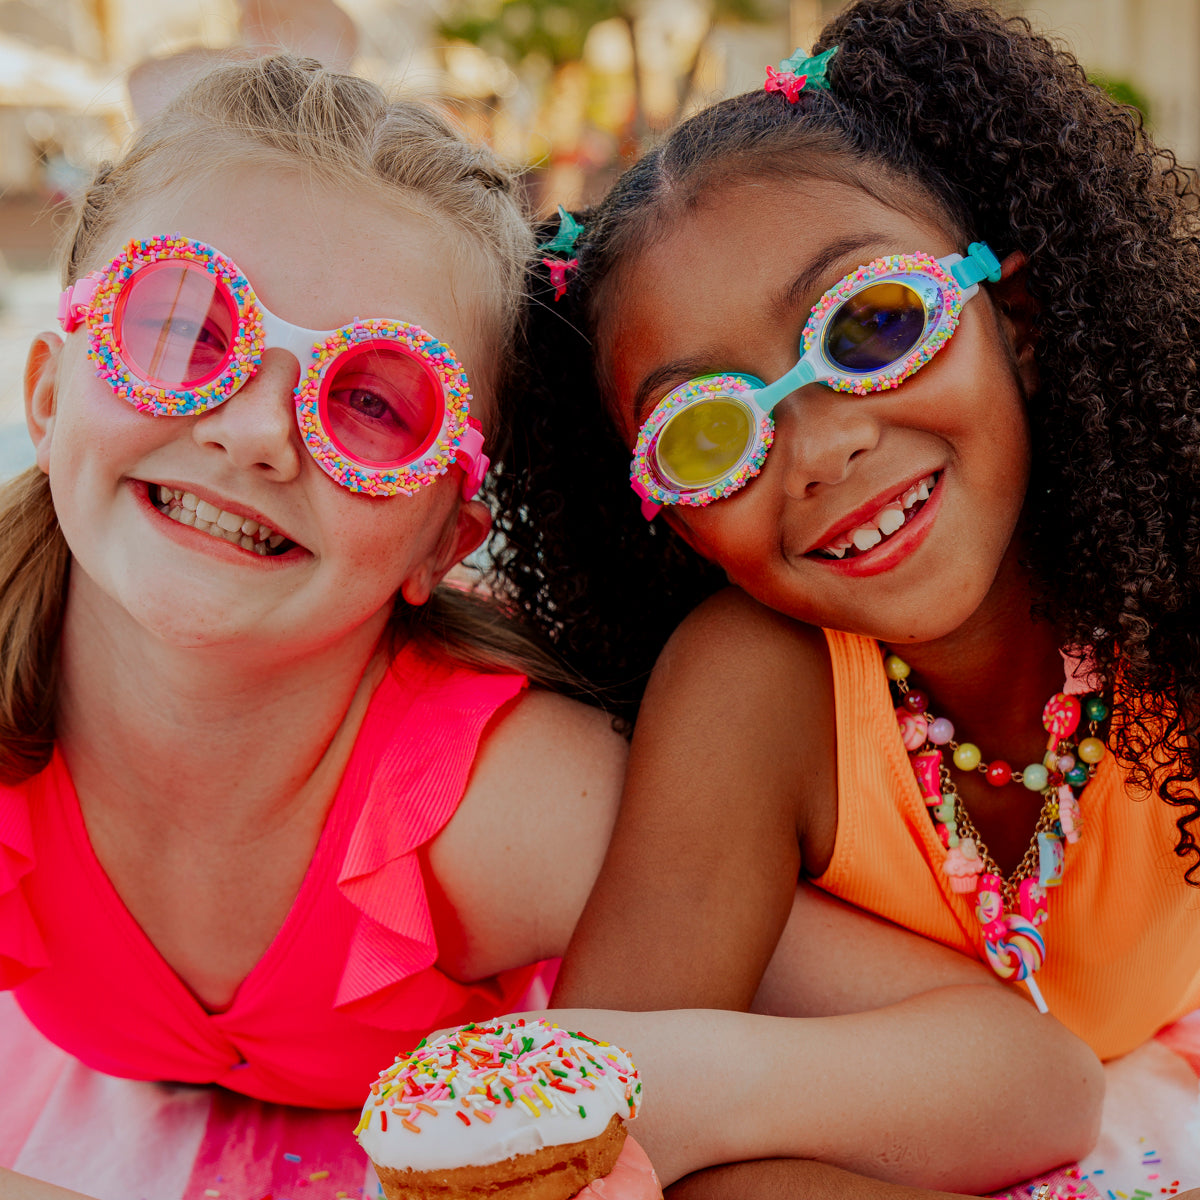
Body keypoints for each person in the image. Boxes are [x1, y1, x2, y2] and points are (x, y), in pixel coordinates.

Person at [492, 0, 1200, 1193]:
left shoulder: (1170, 585)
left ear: (1015, 322)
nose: (817, 450)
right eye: (708, 433)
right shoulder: (753, 694)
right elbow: (602, 1134)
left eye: (874, 326)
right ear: (664, 518)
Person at [0, 52, 634, 1199]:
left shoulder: (502, 807)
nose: (253, 433)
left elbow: (1018, 1071)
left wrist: (647, 1108)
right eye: (184, 328)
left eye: (373, 402)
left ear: (445, 543)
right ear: (47, 395)